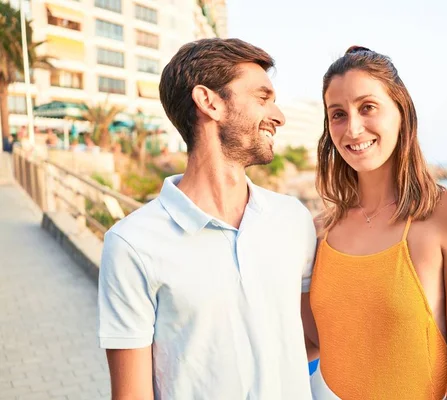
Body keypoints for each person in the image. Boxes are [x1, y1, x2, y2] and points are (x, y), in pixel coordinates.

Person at [97, 38, 317, 399]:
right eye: (263, 98)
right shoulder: (131, 244)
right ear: (209, 102)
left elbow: (311, 338)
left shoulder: (293, 219)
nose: (279, 116)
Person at [304, 46, 447, 399]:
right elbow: (311, 341)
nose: (353, 128)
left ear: (401, 111)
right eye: (338, 114)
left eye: (368, 107)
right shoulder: (319, 231)